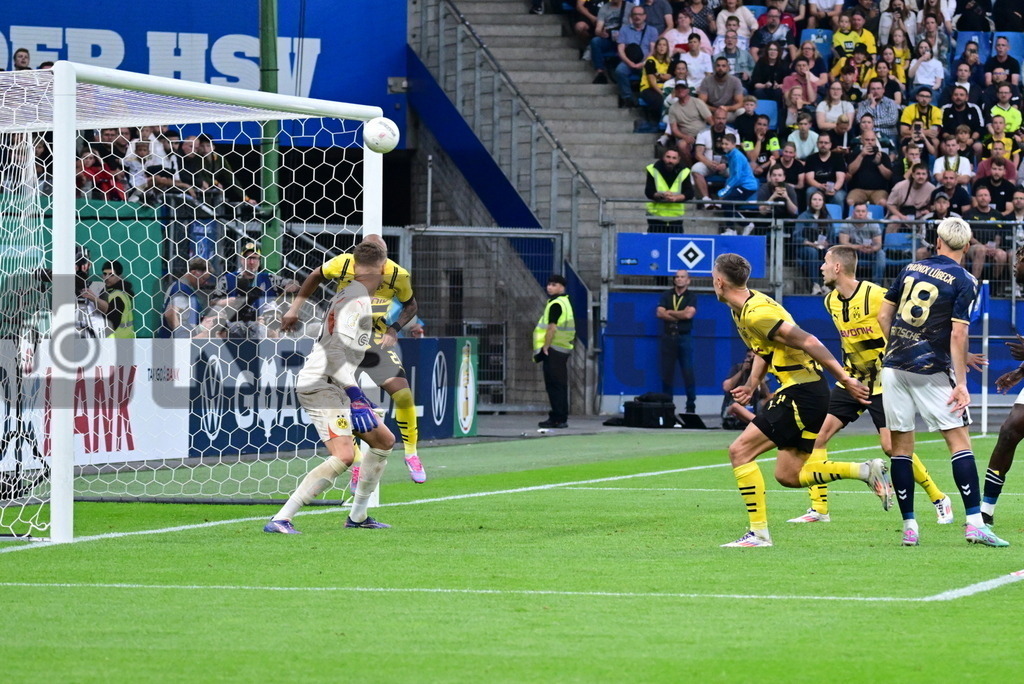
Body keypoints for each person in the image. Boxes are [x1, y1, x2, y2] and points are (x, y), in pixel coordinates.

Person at [713, 253, 890, 548]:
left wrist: (845, 379)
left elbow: (810, 341)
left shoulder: (757, 311)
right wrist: (752, 383)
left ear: (719, 281)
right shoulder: (742, 308)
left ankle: (758, 534)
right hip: (807, 392)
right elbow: (763, 348)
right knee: (788, 475)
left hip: (802, 392)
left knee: (739, 451)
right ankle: (863, 470)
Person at [788, 245, 953, 524]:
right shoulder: (829, 301)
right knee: (817, 436)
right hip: (852, 380)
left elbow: (913, 321)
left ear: (838, 267)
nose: (822, 267)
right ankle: (819, 508)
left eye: (825, 262)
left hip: (884, 382)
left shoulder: (877, 295)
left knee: (892, 447)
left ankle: (939, 498)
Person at [876, 217, 1008, 547]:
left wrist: (896, 346)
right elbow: (959, 332)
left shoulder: (910, 268)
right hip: (930, 370)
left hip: (893, 366)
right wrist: (961, 383)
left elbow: (882, 315)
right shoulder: (965, 280)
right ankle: (975, 523)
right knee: (960, 443)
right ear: (967, 245)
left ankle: (910, 527)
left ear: (937, 242)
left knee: (902, 449)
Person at [263, 239, 395, 534]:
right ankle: (280, 518)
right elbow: (334, 353)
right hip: (322, 384)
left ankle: (358, 516)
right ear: (384, 268)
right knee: (345, 455)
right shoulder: (356, 301)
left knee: (383, 441)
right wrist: (356, 396)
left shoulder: (353, 294)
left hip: (335, 384)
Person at [281, 234, 426, 484]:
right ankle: (357, 463)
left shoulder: (398, 275)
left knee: (402, 394)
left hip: (375, 338)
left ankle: (411, 453)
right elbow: (315, 275)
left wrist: (394, 328)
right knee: (347, 401)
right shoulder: (344, 263)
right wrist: (295, 308)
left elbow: (411, 305)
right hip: (343, 339)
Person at [534, 274, 575, 429]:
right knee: (559, 385)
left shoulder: (556, 304)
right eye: (549, 284)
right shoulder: (565, 302)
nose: (549, 287)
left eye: (553, 285)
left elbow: (552, 327)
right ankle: (560, 416)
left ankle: (558, 418)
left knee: (554, 385)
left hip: (554, 349)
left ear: (561, 287)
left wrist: (545, 346)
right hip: (562, 348)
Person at [656, 270, 697, 412]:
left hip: (684, 337)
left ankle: (690, 406)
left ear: (688, 280)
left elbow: (689, 314)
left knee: (688, 371)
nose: (679, 279)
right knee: (667, 372)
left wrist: (670, 312)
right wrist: (680, 314)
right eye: (677, 277)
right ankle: (667, 407)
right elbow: (659, 313)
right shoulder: (666, 295)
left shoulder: (691, 296)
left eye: (682, 277)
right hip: (668, 337)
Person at [616, 5, 659, 108]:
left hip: (645, 60)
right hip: (628, 60)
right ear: (631, 16)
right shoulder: (624, 30)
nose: (637, 17)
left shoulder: (652, 30)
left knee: (651, 71)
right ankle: (627, 97)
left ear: (645, 16)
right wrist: (629, 62)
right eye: (635, 14)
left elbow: (653, 50)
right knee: (619, 71)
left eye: (640, 14)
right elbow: (620, 49)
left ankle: (648, 96)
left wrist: (643, 63)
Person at [792, 190, 834, 294]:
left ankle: (826, 285)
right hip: (804, 248)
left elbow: (832, 237)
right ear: (810, 202)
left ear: (823, 202)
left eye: (820, 200)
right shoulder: (803, 216)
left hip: (821, 247)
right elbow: (796, 237)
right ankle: (815, 285)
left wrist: (826, 243)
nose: (817, 202)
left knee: (829, 253)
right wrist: (811, 244)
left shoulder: (827, 217)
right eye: (814, 199)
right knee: (812, 252)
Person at [160, 257, 212, 338]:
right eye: (204, 278)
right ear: (195, 272)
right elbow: (170, 313)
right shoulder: (181, 290)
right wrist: (182, 337)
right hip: (176, 344)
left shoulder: (184, 288)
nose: (206, 283)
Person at [645, 147, 693, 231]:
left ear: (678, 160)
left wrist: (676, 198)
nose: (670, 161)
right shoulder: (652, 169)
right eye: (668, 157)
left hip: (676, 218)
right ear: (663, 157)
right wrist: (661, 196)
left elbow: (689, 192)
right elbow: (649, 191)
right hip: (656, 217)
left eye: (674, 158)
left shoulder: (684, 171)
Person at [803, 135, 848, 206]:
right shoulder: (811, 158)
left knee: (838, 197)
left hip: (835, 188)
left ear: (830, 145)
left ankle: (837, 217)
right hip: (817, 187)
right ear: (817, 144)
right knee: (810, 191)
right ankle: (810, 216)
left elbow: (840, 179)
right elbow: (809, 179)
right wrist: (820, 186)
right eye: (821, 142)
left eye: (826, 143)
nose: (823, 145)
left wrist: (834, 189)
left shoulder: (838, 158)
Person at [589, 0, 627, 84]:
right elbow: (598, 29)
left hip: (626, 40)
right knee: (595, 41)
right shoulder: (604, 8)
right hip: (609, 38)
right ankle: (600, 72)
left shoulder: (630, 7)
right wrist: (601, 33)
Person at [97, 260, 136, 338]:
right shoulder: (121, 292)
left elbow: (111, 324)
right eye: (105, 274)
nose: (107, 278)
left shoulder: (117, 296)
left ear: (119, 276)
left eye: (111, 275)